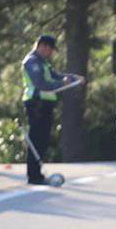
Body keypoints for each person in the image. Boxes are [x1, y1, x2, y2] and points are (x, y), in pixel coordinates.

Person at [21, 35, 84, 185]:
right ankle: (34, 176)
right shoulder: (32, 62)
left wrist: (75, 78)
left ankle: (37, 174)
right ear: (43, 46)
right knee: (36, 139)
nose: (51, 53)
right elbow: (41, 84)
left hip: (45, 104)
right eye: (50, 49)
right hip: (36, 104)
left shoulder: (43, 63)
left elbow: (57, 76)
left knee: (42, 140)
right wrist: (61, 83)